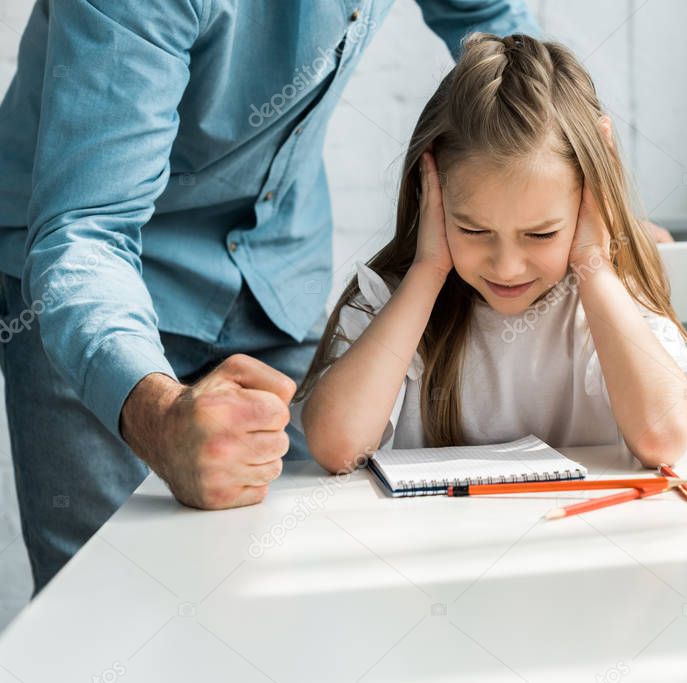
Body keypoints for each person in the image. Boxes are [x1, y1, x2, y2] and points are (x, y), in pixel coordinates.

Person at [0, 1, 552, 595]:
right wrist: (156, 418)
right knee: (105, 609)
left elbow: (488, 13)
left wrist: (585, 189)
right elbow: (89, 230)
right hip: (90, 299)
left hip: (276, 272)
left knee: (295, 591)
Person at [294, 33, 687, 473]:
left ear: (593, 193)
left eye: (541, 235)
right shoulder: (390, 301)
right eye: (473, 229)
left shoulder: (610, 304)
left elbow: (662, 439)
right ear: (432, 191)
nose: (507, 267)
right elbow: (338, 447)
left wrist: (595, 267)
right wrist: (428, 270)